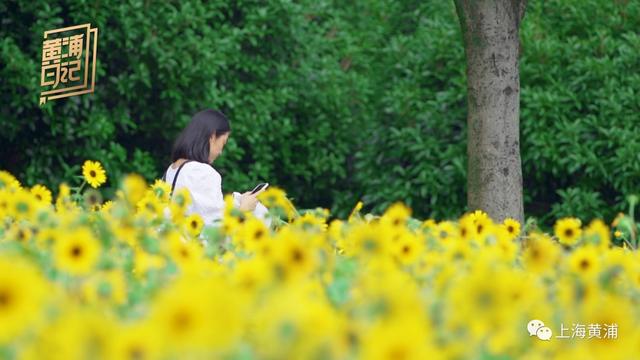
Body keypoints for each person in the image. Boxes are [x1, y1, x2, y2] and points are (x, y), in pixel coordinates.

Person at [161, 109, 265, 226]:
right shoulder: (202, 172)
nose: (221, 152)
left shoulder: (173, 169)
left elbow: (197, 209)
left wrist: (237, 200)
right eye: (223, 143)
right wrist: (244, 209)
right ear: (212, 137)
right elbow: (216, 230)